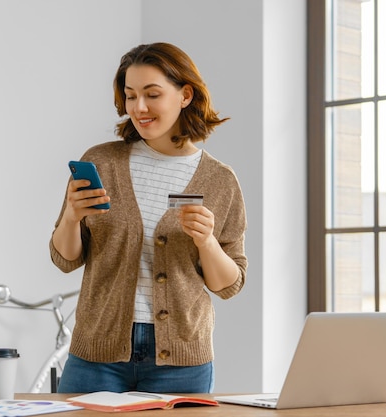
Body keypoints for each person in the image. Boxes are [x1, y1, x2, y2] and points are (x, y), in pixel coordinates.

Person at [50, 42, 248, 394]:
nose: (138, 108)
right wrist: (70, 217)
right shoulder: (101, 163)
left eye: (152, 94)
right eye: (130, 96)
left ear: (185, 95)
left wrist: (206, 242)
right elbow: (65, 259)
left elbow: (228, 284)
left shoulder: (220, 180)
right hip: (97, 355)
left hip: (181, 363)